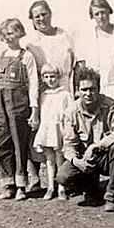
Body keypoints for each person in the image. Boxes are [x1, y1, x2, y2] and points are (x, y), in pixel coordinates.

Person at [56, 66, 114, 212]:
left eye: (92, 89)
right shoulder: (71, 112)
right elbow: (69, 145)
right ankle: (92, 188)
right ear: (77, 91)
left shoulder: (110, 105)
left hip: (107, 157)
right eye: (84, 90)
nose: (88, 94)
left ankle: (112, 194)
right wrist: (78, 162)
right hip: (86, 159)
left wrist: (96, 146)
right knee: (63, 176)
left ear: (99, 88)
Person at [24, 0, 76, 193]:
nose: (41, 18)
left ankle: (65, 181)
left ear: (50, 14)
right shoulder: (30, 42)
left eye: (44, 14)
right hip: (40, 93)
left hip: (63, 92)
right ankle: (36, 178)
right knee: (37, 136)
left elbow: (74, 66)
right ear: (32, 20)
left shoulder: (64, 36)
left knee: (64, 136)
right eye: (36, 16)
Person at [0, 18, 39, 201]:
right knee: (3, 142)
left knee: (19, 143)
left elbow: (34, 83)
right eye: (4, 34)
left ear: (19, 33)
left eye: (11, 33)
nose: (7, 37)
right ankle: (7, 184)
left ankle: (21, 186)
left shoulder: (26, 56)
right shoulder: (1, 55)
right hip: (0, 103)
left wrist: (34, 109)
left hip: (19, 104)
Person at [33, 64, 73, 200]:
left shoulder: (65, 94)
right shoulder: (43, 95)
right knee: (49, 159)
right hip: (46, 129)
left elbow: (70, 113)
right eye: (47, 77)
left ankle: (62, 187)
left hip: (59, 129)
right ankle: (50, 186)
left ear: (58, 77)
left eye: (53, 77)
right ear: (43, 79)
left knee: (59, 157)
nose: (50, 80)